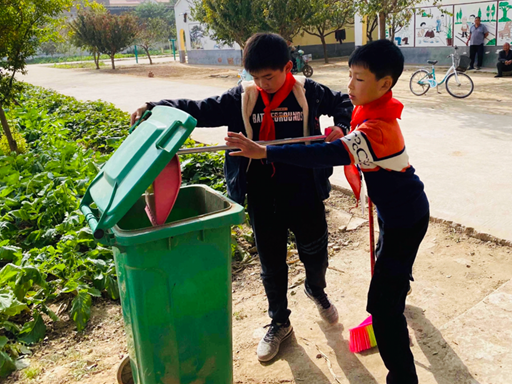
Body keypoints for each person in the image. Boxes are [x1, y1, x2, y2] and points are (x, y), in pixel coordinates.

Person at [130, 33, 353, 363]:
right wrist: (155, 107)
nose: (262, 84)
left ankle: (315, 289)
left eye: (269, 77)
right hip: (262, 195)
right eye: (256, 77)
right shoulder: (242, 97)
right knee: (271, 264)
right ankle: (280, 322)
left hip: (304, 191)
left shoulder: (309, 92)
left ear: (287, 67)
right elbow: (199, 110)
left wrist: (341, 127)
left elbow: (344, 103)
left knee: (315, 253)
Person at [225, 39, 429, 384]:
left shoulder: (377, 128)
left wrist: (265, 152)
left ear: (385, 84)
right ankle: (398, 291)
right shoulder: (371, 110)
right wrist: (343, 129)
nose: (350, 85)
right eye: (349, 75)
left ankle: (402, 375)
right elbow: (345, 137)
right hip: (394, 208)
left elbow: (323, 154)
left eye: (359, 79)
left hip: (405, 217)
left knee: (382, 306)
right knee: (390, 275)